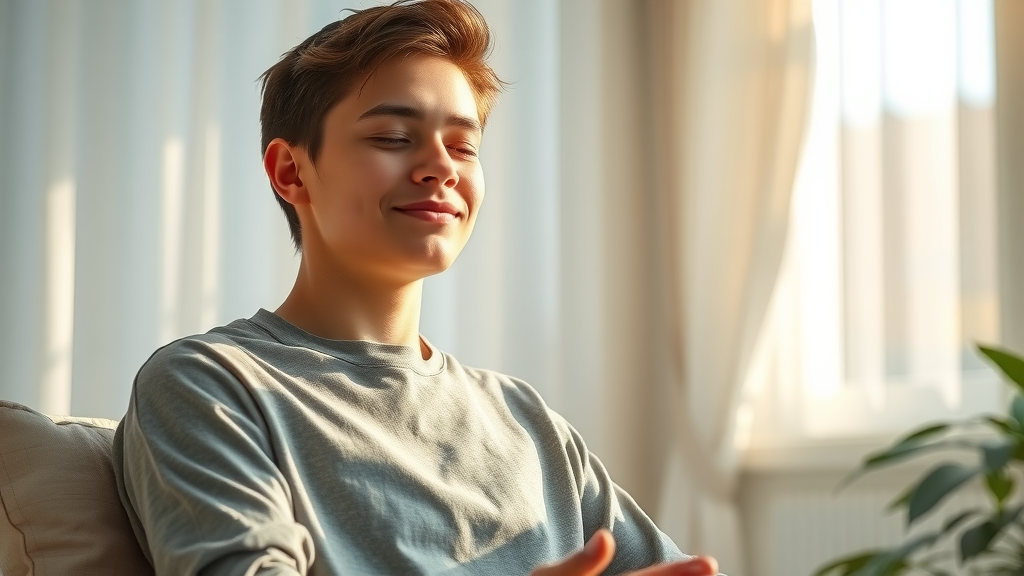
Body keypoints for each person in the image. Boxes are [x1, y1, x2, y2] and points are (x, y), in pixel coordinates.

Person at [112, 1, 722, 575]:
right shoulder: (209, 385)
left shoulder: (527, 422)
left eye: (463, 146)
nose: (442, 168)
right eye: (393, 138)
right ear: (291, 171)